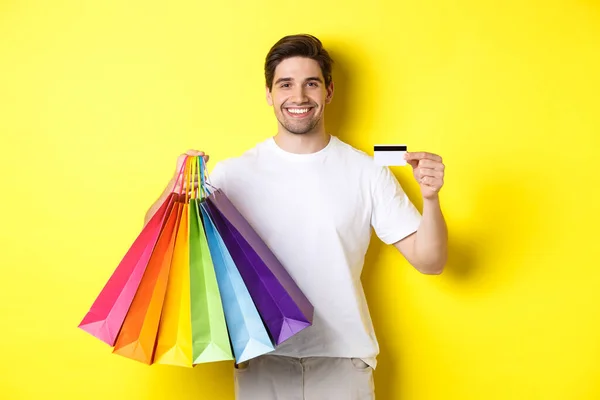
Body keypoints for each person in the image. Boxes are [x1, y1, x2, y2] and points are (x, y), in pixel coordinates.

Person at [144, 34, 448, 400]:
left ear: (329, 92)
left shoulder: (366, 172)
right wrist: (176, 185)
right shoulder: (232, 174)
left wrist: (430, 199)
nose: (299, 97)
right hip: (261, 358)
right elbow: (157, 241)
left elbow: (430, 261)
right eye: (285, 84)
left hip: (343, 360)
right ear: (269, 94)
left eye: (311, 84)